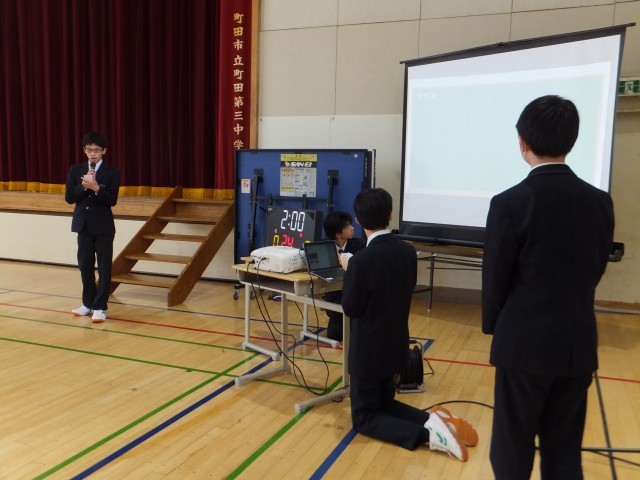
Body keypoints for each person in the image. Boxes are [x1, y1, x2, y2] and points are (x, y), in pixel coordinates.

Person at [482, 95, 615, 479]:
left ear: (522, 142)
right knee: (564, 453)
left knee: (512, 450)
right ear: (572, 140)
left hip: (522, 346)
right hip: (576, 343)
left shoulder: (508, 203)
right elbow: (596, 268)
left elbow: (495, 280)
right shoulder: (600, 202)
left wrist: (494, 327)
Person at [341, 187, 478, 460]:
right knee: (384, 404)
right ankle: (434, 421)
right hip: (396, 347)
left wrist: (350, 270)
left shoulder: (361, 261)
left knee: (365, 418)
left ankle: (432, 436)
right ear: (390, 215)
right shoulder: (407, 251)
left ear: (358, 219)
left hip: (368, 352)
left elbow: (351, 308)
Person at [65, 131, 121, 323]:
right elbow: (69, 197)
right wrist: (83, 186)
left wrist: (96, 188)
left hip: (103, 227)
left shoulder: (112, 172)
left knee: (104, 268)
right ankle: (88, 303)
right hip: (83, 225)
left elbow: (112, 200)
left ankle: (100, 307)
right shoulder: (76, 169)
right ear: (84, 150)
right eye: (89, 150)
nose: (92, 154)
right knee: (85, 266)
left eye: (96, 150)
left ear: (104, 151)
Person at [322, 211, 364, 341]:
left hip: (354, 296)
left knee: (356, 334)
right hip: (335, 297)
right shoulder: (324, 247)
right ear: (338, 234)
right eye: (347, 227)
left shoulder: (359, 245)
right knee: (335, 335)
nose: (352, 228)